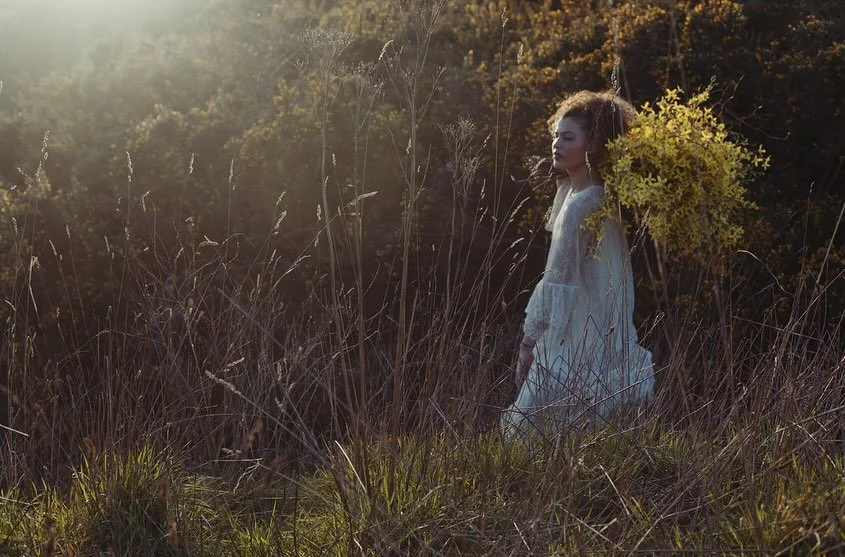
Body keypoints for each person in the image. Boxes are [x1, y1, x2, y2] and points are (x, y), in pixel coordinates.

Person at [502, 90, 655, 437]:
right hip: (595, 335)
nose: (556, 144)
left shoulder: (581, 205)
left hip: (574, 341)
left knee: (532, 438)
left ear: (594, 145)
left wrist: (528, 345)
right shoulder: (594, 196)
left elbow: (558, 280)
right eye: (556, 135)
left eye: (568, 138)